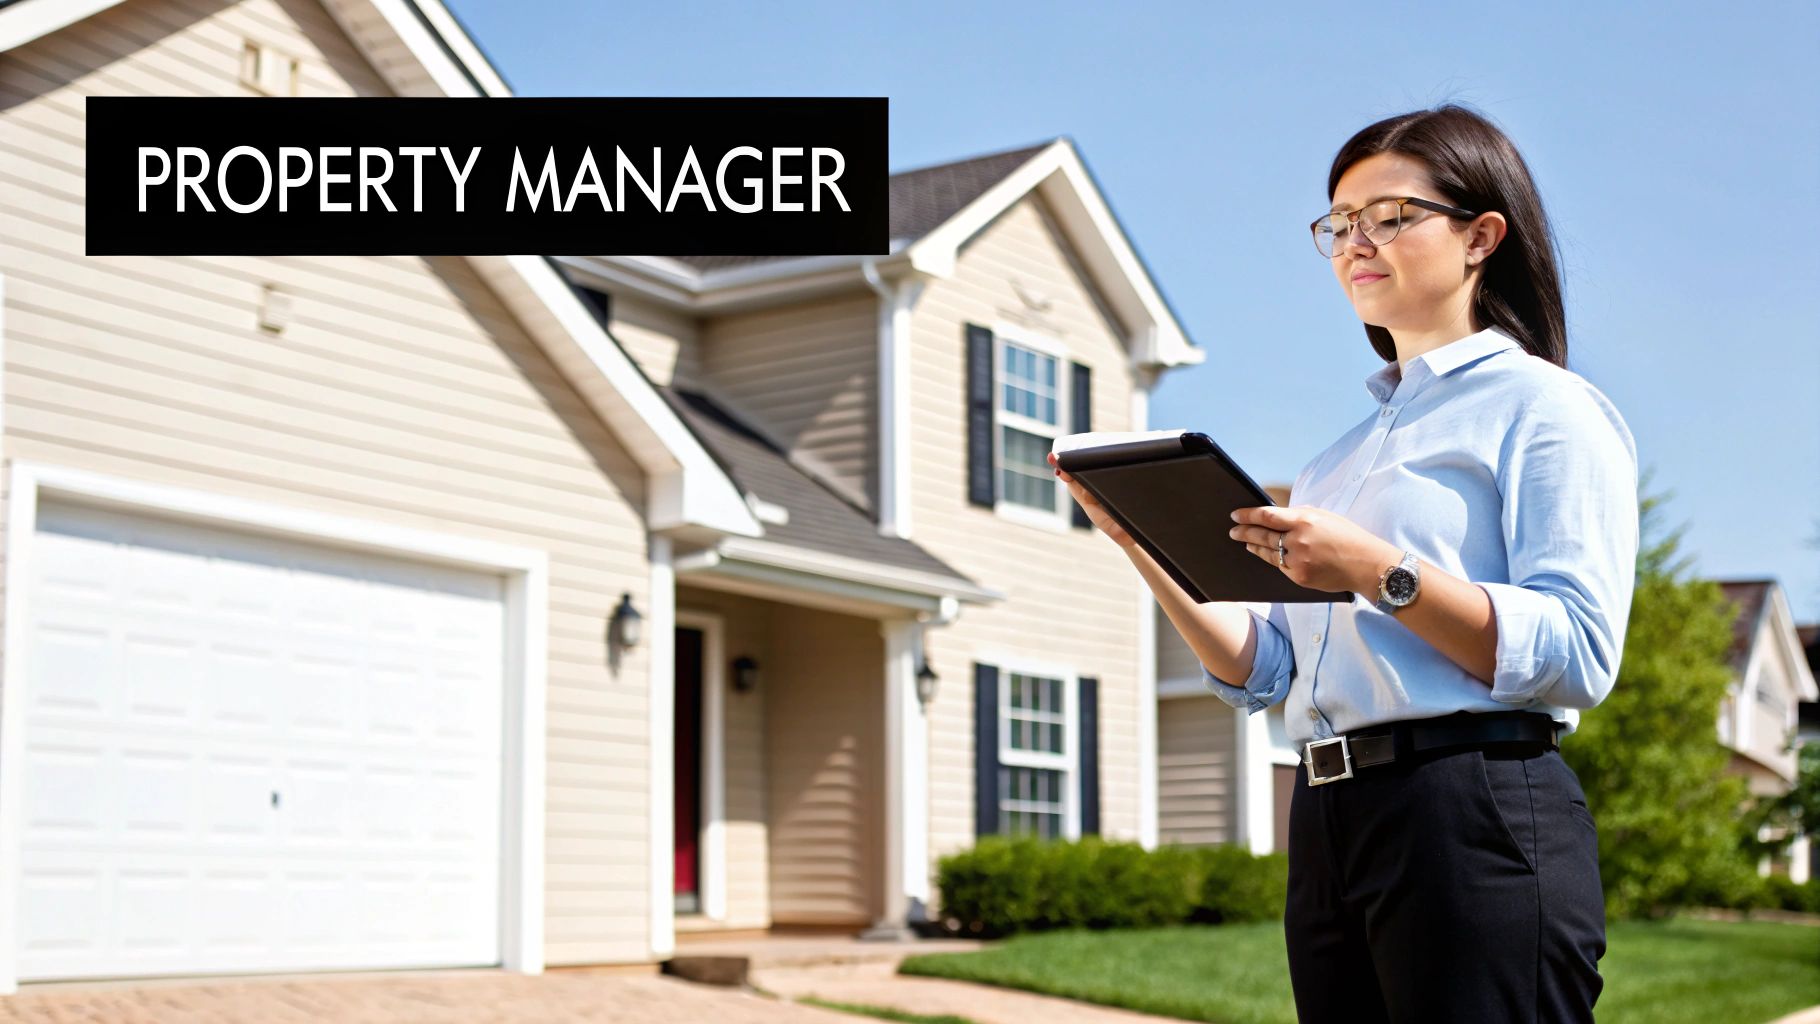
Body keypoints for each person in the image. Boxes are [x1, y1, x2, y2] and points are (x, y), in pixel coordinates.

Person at [1048, 103, 1638, 1023]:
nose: (1356, 242)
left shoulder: (1547, 409)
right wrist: (1146, 542)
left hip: (1471, 807)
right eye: (1338, 224)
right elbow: (1268, 671)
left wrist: (1377, 570)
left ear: (1483, 236)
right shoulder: (1334, 462)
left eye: (1390, 216)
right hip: (1329, 821)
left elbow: (1577, 650)